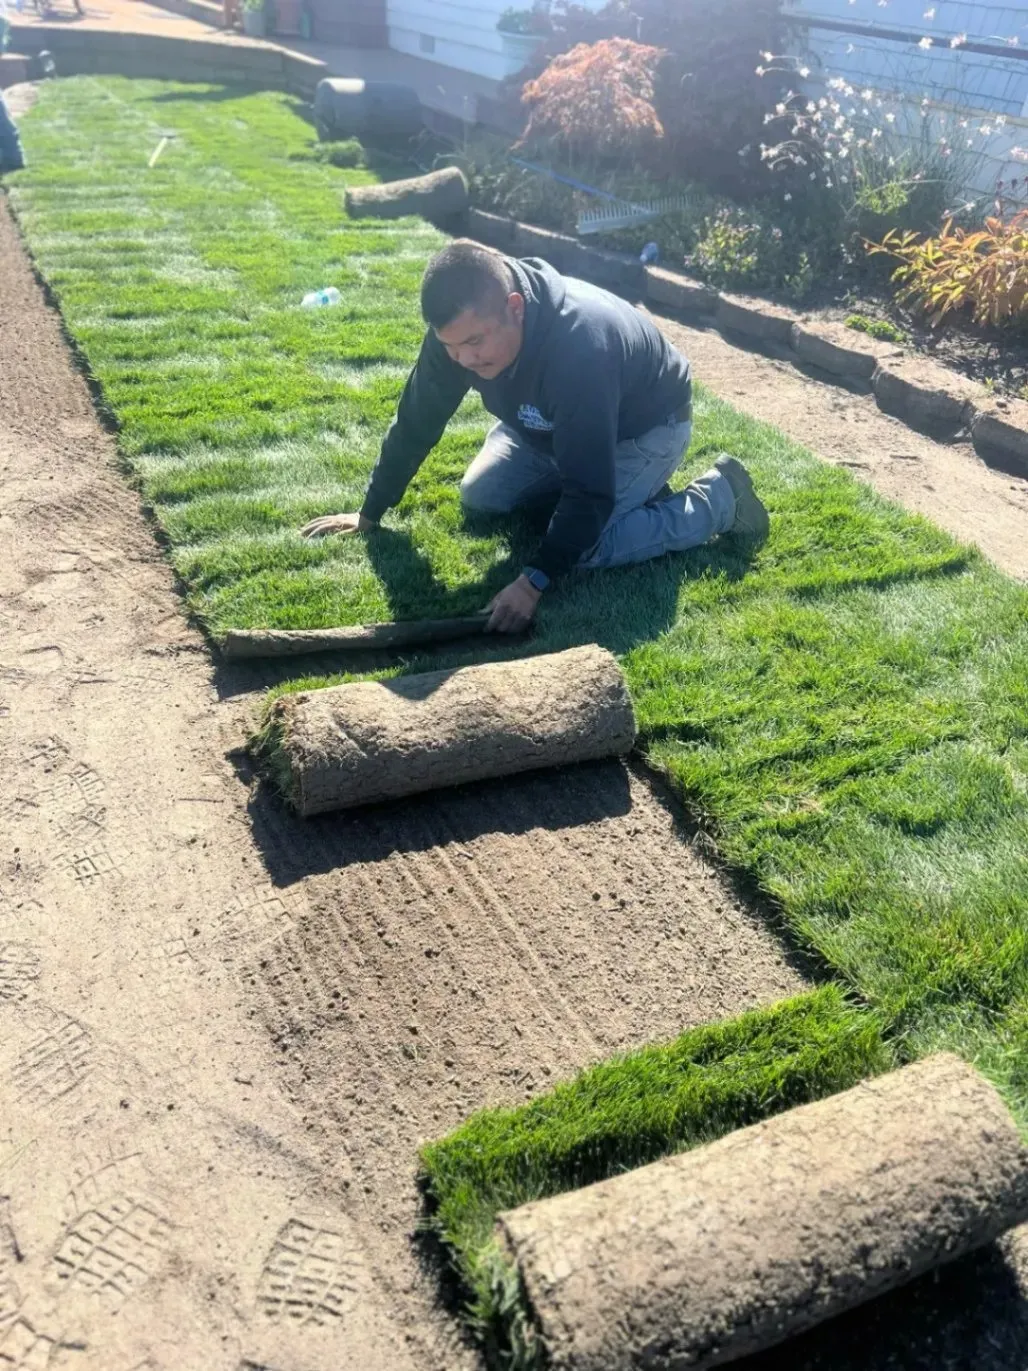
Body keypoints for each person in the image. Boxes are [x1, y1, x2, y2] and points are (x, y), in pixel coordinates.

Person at [302, 240, 769, 633]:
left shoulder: (580, 348)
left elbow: (588, 490)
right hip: (540, 426)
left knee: (586, 549)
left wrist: (534, 580)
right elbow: (417, 419)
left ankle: (720, 498)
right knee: (481, 497)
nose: (462, 359)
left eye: (475, 343)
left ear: (515, 308)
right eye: (451, 346)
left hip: (643, 429)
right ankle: (623, 495)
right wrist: (370, 511)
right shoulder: (459, 332)